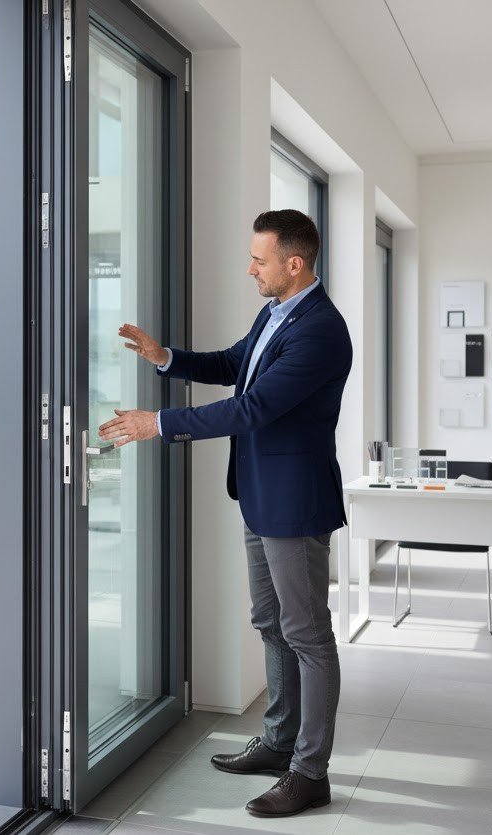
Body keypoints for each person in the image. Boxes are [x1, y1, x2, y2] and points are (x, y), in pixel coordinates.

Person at [100, 209, 352, 819]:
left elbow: (254, 407)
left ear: (294, 265)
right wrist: (167, 358)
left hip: (294, 501)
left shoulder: (319, 329)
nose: (250, 268)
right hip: (261, 494)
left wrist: (157, 423)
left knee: (308, 635)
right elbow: (234, 364)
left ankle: (309, 772)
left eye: (259, 259)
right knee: (270, 622)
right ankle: (278, 741)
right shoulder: (276, 313)